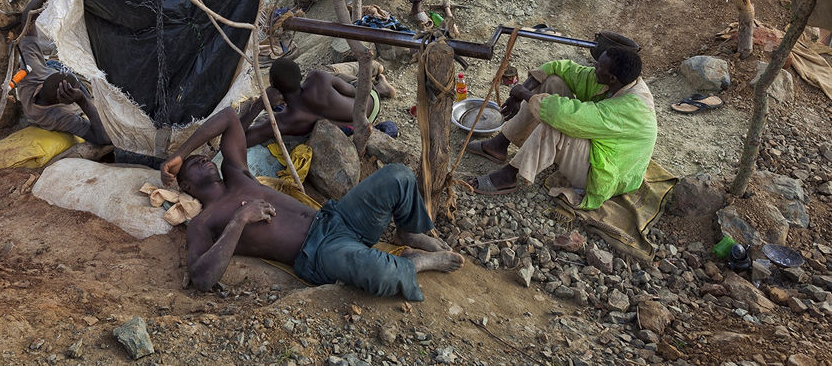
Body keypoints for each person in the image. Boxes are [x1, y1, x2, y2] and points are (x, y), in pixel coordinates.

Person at [160, 107, 463, 300]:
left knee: (397, 175)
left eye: (201, 156)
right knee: (378, 272)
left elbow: (227, 118)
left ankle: (408, 232)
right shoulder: (204, 221)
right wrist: (239, 220)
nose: (202, 158)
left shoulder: (236, 173)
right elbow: (201, 278)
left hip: (336, 218)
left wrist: (180, 153)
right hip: (318, 252)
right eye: (193, 163)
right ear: (185, 186)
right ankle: (414, 265)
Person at [466, 47, 657, 210]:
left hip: (606, 172)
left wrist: (523, 93)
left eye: (599, 66)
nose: (594, 68)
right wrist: (522, 91)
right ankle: (500, 144)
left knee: (556, 126)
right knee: (552, 82)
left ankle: (510, 175)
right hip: (598, 144)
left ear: (612, 78)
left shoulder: (631, 109)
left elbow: (566, 116)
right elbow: (561, 67)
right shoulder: (617, 81)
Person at [241, 58, 379, 147]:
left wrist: (259, 104)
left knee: (330, 73)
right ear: (300, 76)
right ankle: (378, 77)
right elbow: (357, 93)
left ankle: (378, 77)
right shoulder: (317, 77)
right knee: (329, 73)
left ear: (271, 84)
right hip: (372, 103)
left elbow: (240, 140)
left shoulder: (286, 120)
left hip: (356, 126)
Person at [14, 24, 111, 146]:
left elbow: (28, 29)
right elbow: (103, 138)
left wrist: (31, 12)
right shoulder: (57, 117)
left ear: (44, 82)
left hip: (55, 62)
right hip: (84, 76)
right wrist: (82, 99)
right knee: (101, 45)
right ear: (66, 100)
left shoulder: (32, 74)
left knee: (70, 34)